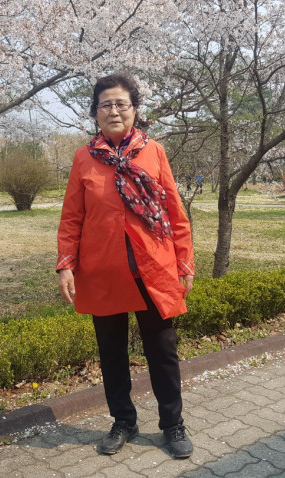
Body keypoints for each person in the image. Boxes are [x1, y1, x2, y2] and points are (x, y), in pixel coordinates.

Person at [57, 73, 195, 459]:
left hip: (154, 270)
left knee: (163, 352)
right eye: (106, 104)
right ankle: (123, 421)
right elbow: (72, 216)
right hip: (102, 271)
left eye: (121, 104)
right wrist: (66, 264)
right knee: (112, 353)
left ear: (134, 110)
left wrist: (184, 262)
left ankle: (173, 424)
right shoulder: (84, 158)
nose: (114, 111)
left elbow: (175, 211)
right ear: (95, 112)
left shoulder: (154, 152)